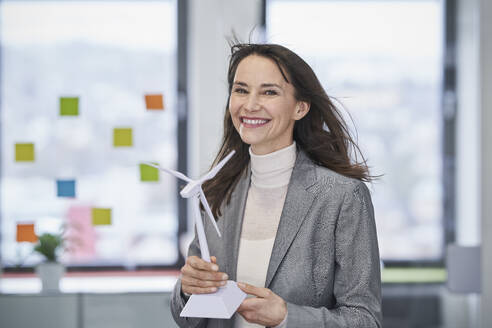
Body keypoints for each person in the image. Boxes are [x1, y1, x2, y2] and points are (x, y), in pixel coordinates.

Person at [170, 43, 382, 328]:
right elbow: (190, 320)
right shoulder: (216, 192)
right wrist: (188, 288)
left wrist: (286, 318)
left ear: (300, 107)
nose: (250, 104)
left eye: (269, 92)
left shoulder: (342, 197)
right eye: (241, 90)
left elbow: (365, 320)